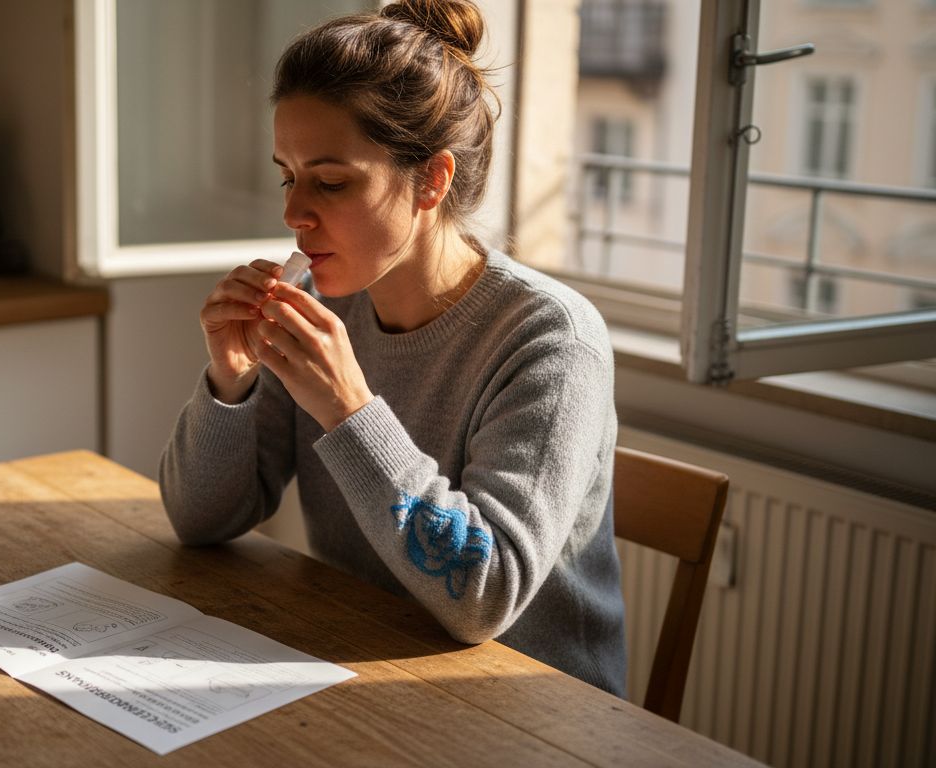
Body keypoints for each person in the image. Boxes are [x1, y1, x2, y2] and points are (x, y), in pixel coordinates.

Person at [159, 0, 626, 695]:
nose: (293, 213)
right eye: (288, 176)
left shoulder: (551, 340)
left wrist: (350, 411)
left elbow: (482, 598)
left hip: (534, 712)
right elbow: (201, 522)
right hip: (362, 671)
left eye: (332, 181)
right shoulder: (324, 302)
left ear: (431, 180)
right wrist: (231, 384)